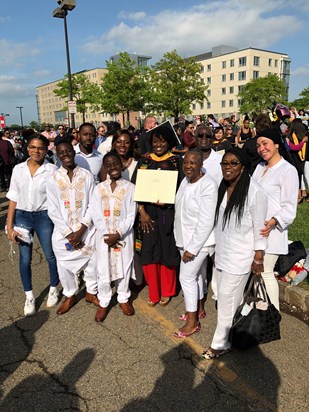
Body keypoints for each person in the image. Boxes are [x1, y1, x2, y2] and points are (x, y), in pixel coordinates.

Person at [202, 148, 268, 359]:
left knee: (227, 299)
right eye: (224, 163)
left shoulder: (255, 192)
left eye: (233, 163)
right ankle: (232, 333)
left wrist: (258, 257)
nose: (227, 168)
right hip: (222, 254)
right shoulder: (223, 187)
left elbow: (260, 228)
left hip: (240, 257)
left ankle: (220, 343)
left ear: (243, 167)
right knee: (222, 297)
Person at [6, 134, 59, 316]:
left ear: (46, 150)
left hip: (44, 216)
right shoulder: (18, 169)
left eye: (41, 148)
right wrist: (9, 225)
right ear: (27, 148)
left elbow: (57, 197)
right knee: (25, 258)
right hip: (22, 216)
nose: (36, 151)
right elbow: (13, 197)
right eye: (32, 147)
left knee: (50, 255)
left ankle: (54, 287)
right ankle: (29, 296)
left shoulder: (52, 170)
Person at [131, 122, 184, 307]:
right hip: (147, 215)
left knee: (167, 251)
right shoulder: (144, 160)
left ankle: (168, 290)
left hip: (168, 213)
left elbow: (183, 189)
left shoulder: (177, 161)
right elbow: (135, 188)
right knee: (149, 251)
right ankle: (154, 291)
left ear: (169, 142)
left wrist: (171, 201)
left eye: (162, 141)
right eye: (155, 141)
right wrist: (142, 212)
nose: (158, 145)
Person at [46, 140, 98, 315]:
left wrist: (82, 228)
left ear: (73, 152)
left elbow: (93, 204)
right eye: (61, 152)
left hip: (86, 229)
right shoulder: (53, 178)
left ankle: (91, 292)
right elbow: (52, 208)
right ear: (57, 155)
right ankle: (70, 294)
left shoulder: (86, 175)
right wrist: (69, 233)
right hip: (64, 232)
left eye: (68, 151)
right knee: (64, 264)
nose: (66, 155)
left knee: (92, 261)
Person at [253, 128, 299, 311]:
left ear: (277, 145)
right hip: (255, 229)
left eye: (265, 144)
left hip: (272, 231)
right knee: (256, 271)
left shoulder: (288, 170)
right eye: (258, 145)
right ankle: (260, 309)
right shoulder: (259, 168)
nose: (261, 148)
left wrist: (272, 222)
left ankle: (273, 314)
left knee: (265, 271)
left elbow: (289, 207)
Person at [174, 150, 217, 338]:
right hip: (184, 239)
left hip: (199, 243)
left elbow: (206, 221)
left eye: (193, 163)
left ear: (201, 164)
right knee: (197, 276)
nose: (188, 166)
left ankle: (192, 323)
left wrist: (192, 248)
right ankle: (198, 309)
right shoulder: (186, 180)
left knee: (187, 277)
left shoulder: (208, 185)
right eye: (186, 163)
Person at [90, 152, 137, 322]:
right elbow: (95, 213)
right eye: (108, 165)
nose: (113, 168)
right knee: (103, 267)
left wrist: (118, 233)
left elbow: (131, 214)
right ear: (105, 168)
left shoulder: (130, 188)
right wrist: (106, 232)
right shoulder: (99, 188)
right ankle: (104, 300)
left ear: (122, 165)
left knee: (124, 265)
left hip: (123, 236)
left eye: (116, 164)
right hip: (103, 236)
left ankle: (123, 297)